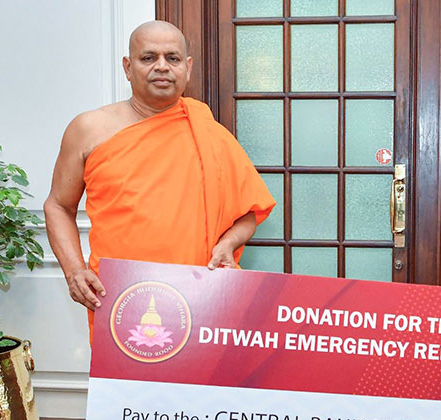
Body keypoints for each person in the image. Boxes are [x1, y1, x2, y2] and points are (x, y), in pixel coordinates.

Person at [43, 21, 275, 344]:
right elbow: (58, 206)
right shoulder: (88, 130)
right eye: (148, 57)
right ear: (127, 67)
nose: (162, 67)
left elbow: (249, 212)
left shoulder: (208, 133)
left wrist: (228, 244)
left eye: (173, 58)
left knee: (197, 392)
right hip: (120, 298)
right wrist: (74, 271)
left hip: (199, 300)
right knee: (124, 393)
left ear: (188, 68)